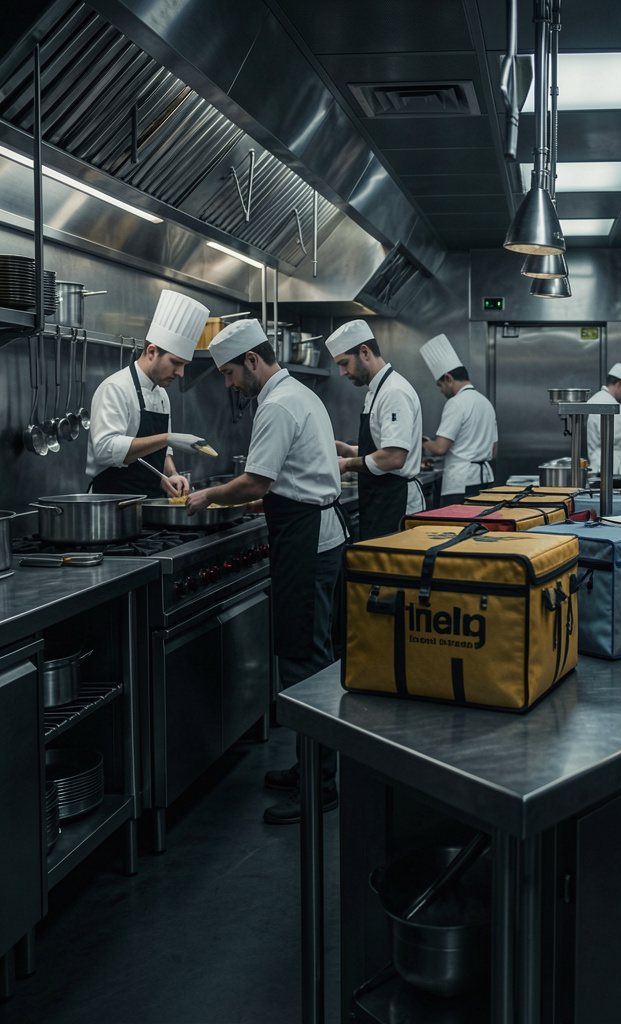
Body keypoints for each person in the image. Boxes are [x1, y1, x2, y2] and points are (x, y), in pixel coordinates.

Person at [186, 319, 346, 823]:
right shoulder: (297, 393)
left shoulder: (276, 404)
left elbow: (256, 481)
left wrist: (209, 494)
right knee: (311, 657)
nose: (230, 385)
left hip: (306, 540)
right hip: (317, 533)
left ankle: (320, 784)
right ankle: (310, 767)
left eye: (231, 374)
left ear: (252, 360)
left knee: (305, 661)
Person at [86, 289, 210, 497]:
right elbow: (105, 450)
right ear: (152, 352)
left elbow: (162, 452)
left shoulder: (162, 395)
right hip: (111, 505)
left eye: (184, 365)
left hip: (150, 505)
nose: (180, 373)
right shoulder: (115, 388)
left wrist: (170, 475)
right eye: (176, 363)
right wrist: (166, 438)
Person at [327, 319, 425, 538]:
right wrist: (345, 449)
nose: (342, 372)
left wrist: (345, 464)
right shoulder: (376, 391)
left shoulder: (393, 392)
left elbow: (393, 458)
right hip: (382, 499)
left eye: (344, 363)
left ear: (364, 352)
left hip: (396, 502)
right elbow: (381, 448)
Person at [419, 333, 498, 506]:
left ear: (448, 378)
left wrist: (424, 443)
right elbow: (493, 452)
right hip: (485, 479)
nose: (441, 391)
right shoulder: (485, 402)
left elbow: (440, 448)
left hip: (461, 484)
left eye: (440, 385)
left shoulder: (455, 403)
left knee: (457, 530)